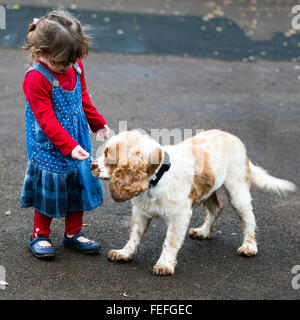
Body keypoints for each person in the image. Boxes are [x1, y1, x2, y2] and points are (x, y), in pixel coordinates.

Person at [20, 9, 109, 258]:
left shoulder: (75, 67)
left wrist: (97, 124)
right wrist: (67, 146)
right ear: (41, 53)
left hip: (77, 139)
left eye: (72, 61)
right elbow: (46, 120)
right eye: (61, 63)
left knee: (77, 184)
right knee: (49, 188)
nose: (67, 67)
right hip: (49, 145)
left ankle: (73, 234)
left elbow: (82, 99)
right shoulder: (36, 78)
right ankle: (40, 234)